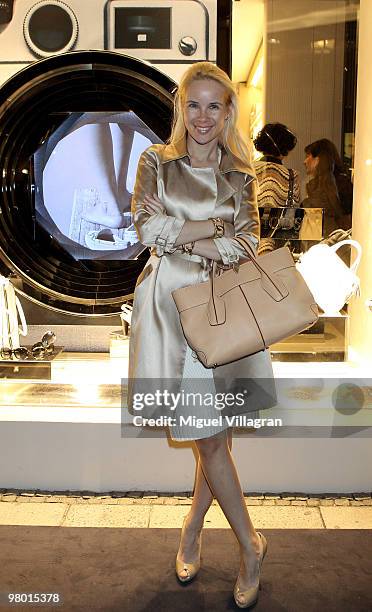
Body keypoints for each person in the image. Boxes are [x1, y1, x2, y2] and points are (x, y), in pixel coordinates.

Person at [127, 61, 275, 608]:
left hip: (223, 313)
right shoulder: (155, 162)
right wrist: (215, 229)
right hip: (171, 312)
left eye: (215, 105)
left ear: (228, 111)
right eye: (194, 104)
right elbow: (147, 228)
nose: (203, 116)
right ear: (180, 109)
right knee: (211, 440)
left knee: (213, 441)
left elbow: (249, 246)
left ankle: (211, 535)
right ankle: (248, 543)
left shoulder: (242, 172)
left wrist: (184, 236)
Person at [253, 123, 301, 255]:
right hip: (277, 250)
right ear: (286, 148)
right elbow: (293, 213)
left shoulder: (247, 170)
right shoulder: (292, 176)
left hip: (247, 243)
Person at [303, 138, 353, 236]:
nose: (305, 161)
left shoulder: (321, 187)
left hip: (329, 241)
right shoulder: (343, 182)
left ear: (317, 159)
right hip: (338, 240)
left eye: (308, 156)